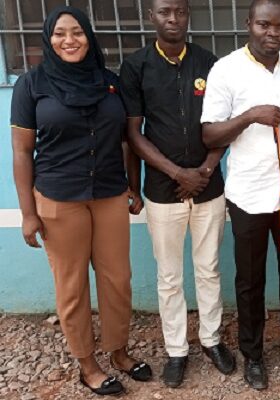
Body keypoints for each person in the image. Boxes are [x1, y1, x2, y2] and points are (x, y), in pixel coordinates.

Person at [10, 6, 151, 396]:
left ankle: (118, 350)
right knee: (72, 286)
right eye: (59, 34)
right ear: (48, 40)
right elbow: (22, 152)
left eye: (77, 32)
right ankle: (87, 363)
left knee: (117, 279)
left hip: (108, 193)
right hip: (58, 198)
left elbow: (126, 140)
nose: (69, 40)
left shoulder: (108, 82)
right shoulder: (31, 84)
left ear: (89, 36)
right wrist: (28, 213)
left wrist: (132, 186)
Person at [200, 0, 280, 390]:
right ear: (248, 24)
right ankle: (253, 353)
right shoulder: (226, 69)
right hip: (249, 193)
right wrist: (250, 115)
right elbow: (210, 134)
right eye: (264, 25)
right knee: (250, 279)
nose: (272, 33)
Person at [119, 0, 234, 388]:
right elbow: (133, 133)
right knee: (169, 276)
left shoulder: (210, 63)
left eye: (180, 12)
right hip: (163, 190)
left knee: (209, 268)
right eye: (165, 12)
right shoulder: (136, 66)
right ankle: (176, 350)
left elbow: (224, 126)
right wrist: (175, 173)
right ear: (151, 17)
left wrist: (202, 171)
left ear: (188, 16)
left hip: (208, 185)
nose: (173, 19)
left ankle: (212, 340)